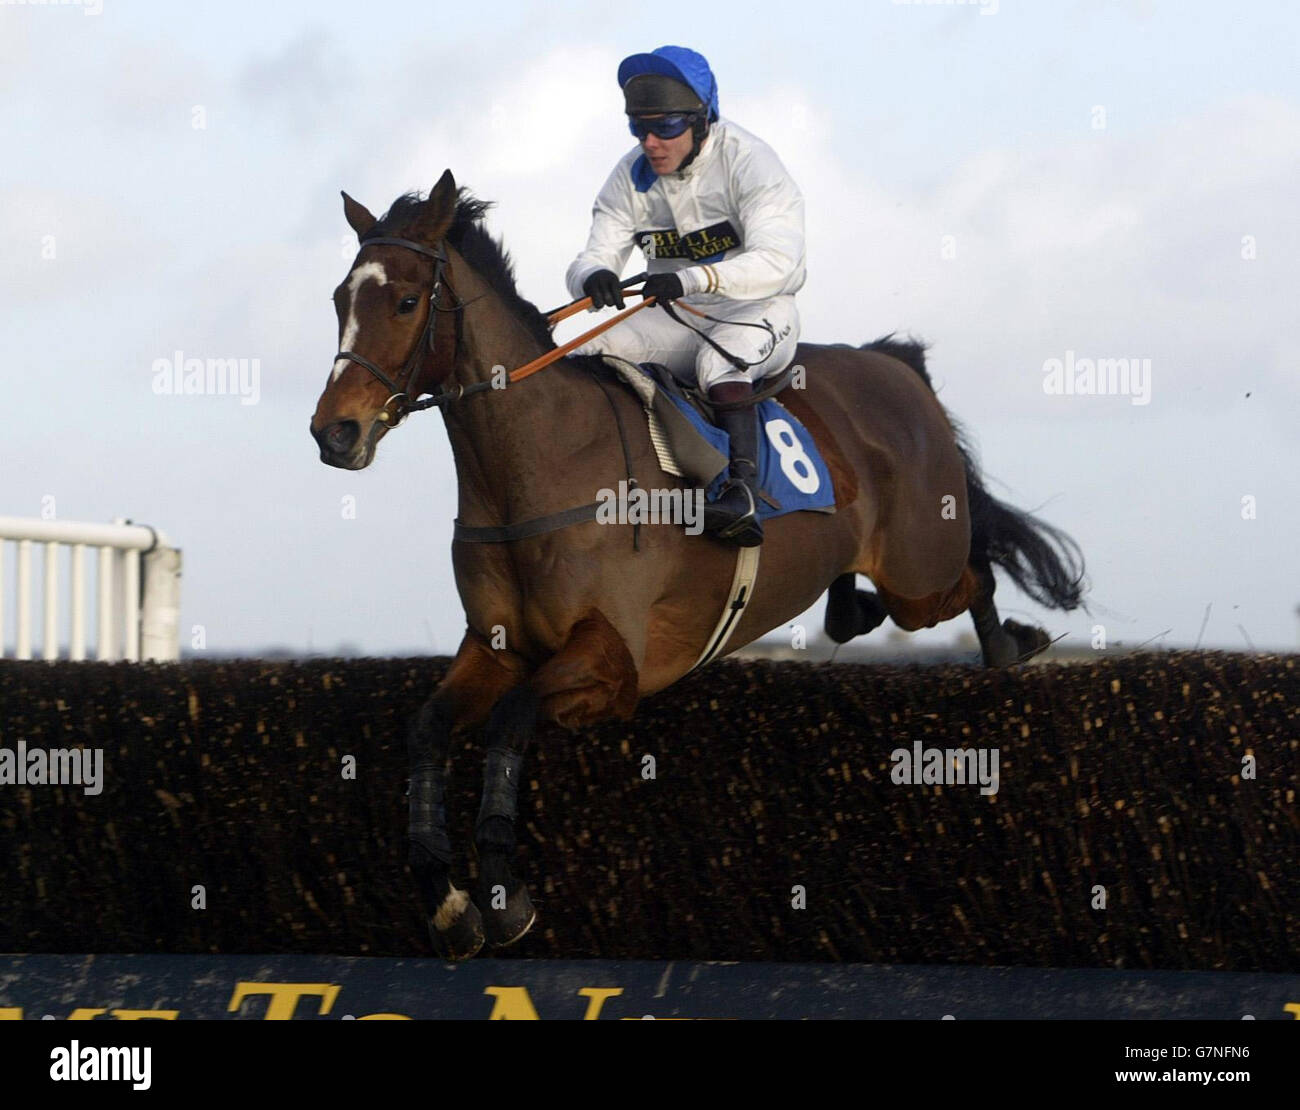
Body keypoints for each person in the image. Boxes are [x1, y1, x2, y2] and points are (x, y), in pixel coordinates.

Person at [565, 45, 806, 547]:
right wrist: (592, 278)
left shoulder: (751, 161)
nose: (651, 142)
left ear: (702, 120)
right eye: (638, 127)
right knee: (582, 351)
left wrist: (693, 279)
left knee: (717, 366)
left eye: (666, 127)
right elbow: (593, 255)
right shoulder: (628, 176)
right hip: (676, 317)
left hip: (758, 309)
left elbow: (779, 262)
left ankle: (740, 493)